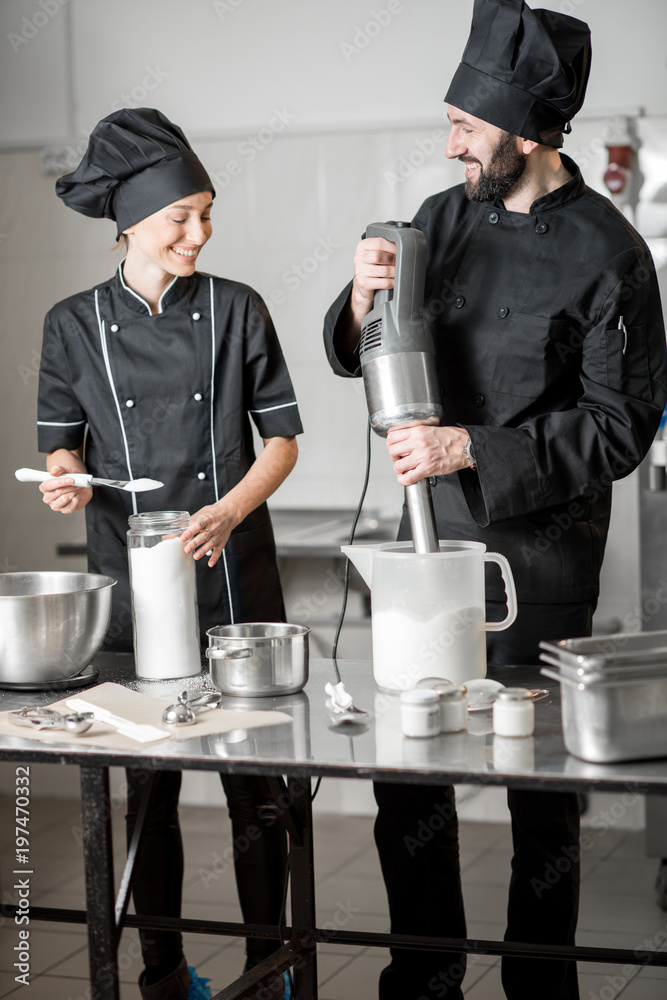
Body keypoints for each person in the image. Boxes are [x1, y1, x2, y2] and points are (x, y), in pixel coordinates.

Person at [323, 2, 667, 998]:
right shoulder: (439, 218)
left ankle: (537, 986)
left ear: (524, 130)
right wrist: (357, 303)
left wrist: (466, 445)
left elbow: (620, 430)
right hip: (428, 554)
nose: (449, 144)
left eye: (465, 129)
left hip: (540, 559)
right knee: (409, 783)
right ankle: (424, 977)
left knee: (538, 796)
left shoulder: (611, 257)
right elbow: (379, 345)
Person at [37, 108, 302, 1000]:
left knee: (256, 792)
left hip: (235, 580)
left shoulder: (238, 309)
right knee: (148, 795)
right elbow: (63, 452)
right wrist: (67, 479)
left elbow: (282, 443)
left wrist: (226, 512)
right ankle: (159, 976)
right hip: (133, 591)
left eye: (206, 213)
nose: (201, 232)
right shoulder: (70, 325)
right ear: (130, 225)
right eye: (181, 217)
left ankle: (273, 970)